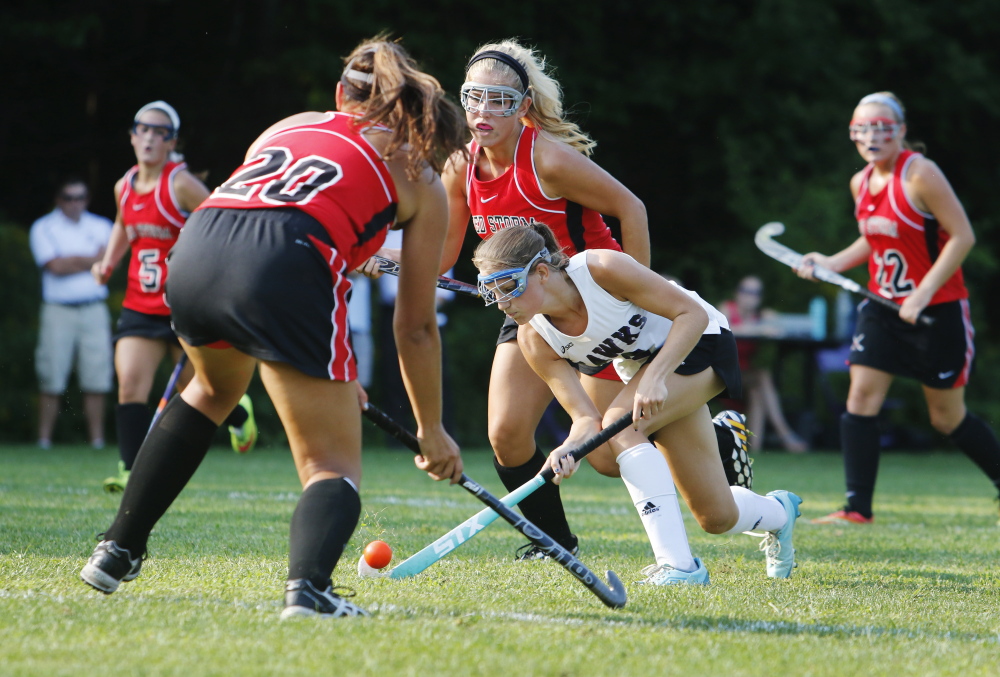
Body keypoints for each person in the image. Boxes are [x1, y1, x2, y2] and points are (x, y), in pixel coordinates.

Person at [79, 36, 467, 619]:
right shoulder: (418, 174)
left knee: (209, 389)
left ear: (340, 94)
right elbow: (414, 327)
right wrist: (431, 430)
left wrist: (324, 377)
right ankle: (309, 590)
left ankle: (117, 548)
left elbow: (264, 206)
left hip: (197, 252)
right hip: (284, 265)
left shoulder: (290, 124)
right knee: (331, 467)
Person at [472, 223, 802, 583]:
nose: (503, 303)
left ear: (541, 272)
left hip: (700, 341)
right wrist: (566, 449)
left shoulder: (602, 269)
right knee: (715, 516)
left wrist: (657, 376)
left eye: (508, 288)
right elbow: (584, 418)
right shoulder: (534, 338)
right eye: (493, 293)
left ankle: (680, 567)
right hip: (643, 368)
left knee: (622, 424)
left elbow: (692, 315)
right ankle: (779, 512)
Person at [439, 39, 651, 559]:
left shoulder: (551, 161)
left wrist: (641, 294)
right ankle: (554, 542)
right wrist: (380, 253)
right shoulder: (459, 167)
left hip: (594, 306)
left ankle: (717, 441)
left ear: (523, 107)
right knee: (506, 434)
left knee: (605, 454)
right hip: (531, 312)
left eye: (499, 101)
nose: (482, 112)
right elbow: (442, 253)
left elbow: (632, 208)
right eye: (474, 97)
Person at [797, 91, 1000, 524]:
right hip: (882, 307)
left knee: (946, 418)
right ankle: (857, 509)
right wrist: (830, 262)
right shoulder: (861, 182)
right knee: (861, 397)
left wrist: (922, 293)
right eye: (862, 128)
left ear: (901, 131)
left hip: (936, 311)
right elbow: (875, 237)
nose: (871, 136)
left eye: (882, 127)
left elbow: (962, 235)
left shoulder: (921, 174)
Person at [92, 101, 257, 493]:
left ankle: (239, 416)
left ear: (172, 142)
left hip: (182, 303)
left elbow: (218, 220)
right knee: (130, 382)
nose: (150, 137)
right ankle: (129, 470)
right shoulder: (124, 185)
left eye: (160, 132)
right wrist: (108, 262)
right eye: (143, 129)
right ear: (132, 136)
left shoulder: (180, 183)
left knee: (195, 389)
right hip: (138, 304)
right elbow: (122, 223)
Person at [29, 177, 114, 449]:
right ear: (58, 199)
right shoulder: (43, 227)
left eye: (80, 197)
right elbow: (54, 266)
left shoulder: (101, 225)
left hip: (93, 308)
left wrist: (73, 259)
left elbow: (111, 263)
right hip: (58, 310)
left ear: (87, 200)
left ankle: (97, 441)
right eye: (69, 197)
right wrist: (92, 259)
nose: (75, 203)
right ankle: (44, 440)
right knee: (51, 374)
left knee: (97, 376)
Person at [376, 226, 456, 437]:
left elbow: (445, 289)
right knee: (394, 378)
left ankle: (442, 433)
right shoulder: (384, 235)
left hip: (429, 314)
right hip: (391, 314)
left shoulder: (435, 233)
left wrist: (418, 305)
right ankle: (397, 436)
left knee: (436, 379)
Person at [721, 275, 808, 453]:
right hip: (723, 374)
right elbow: (725, 329)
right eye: (747, 291)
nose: (751, 297)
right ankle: (786, 435)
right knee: (762, 376)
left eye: (756, 293)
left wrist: (774, 326)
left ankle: (753, 449)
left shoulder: (763, 315)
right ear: (737, 293)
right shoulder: (727, 309)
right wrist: (759, 328)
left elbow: (786, 326)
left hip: (746, 379)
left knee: (757, 391)